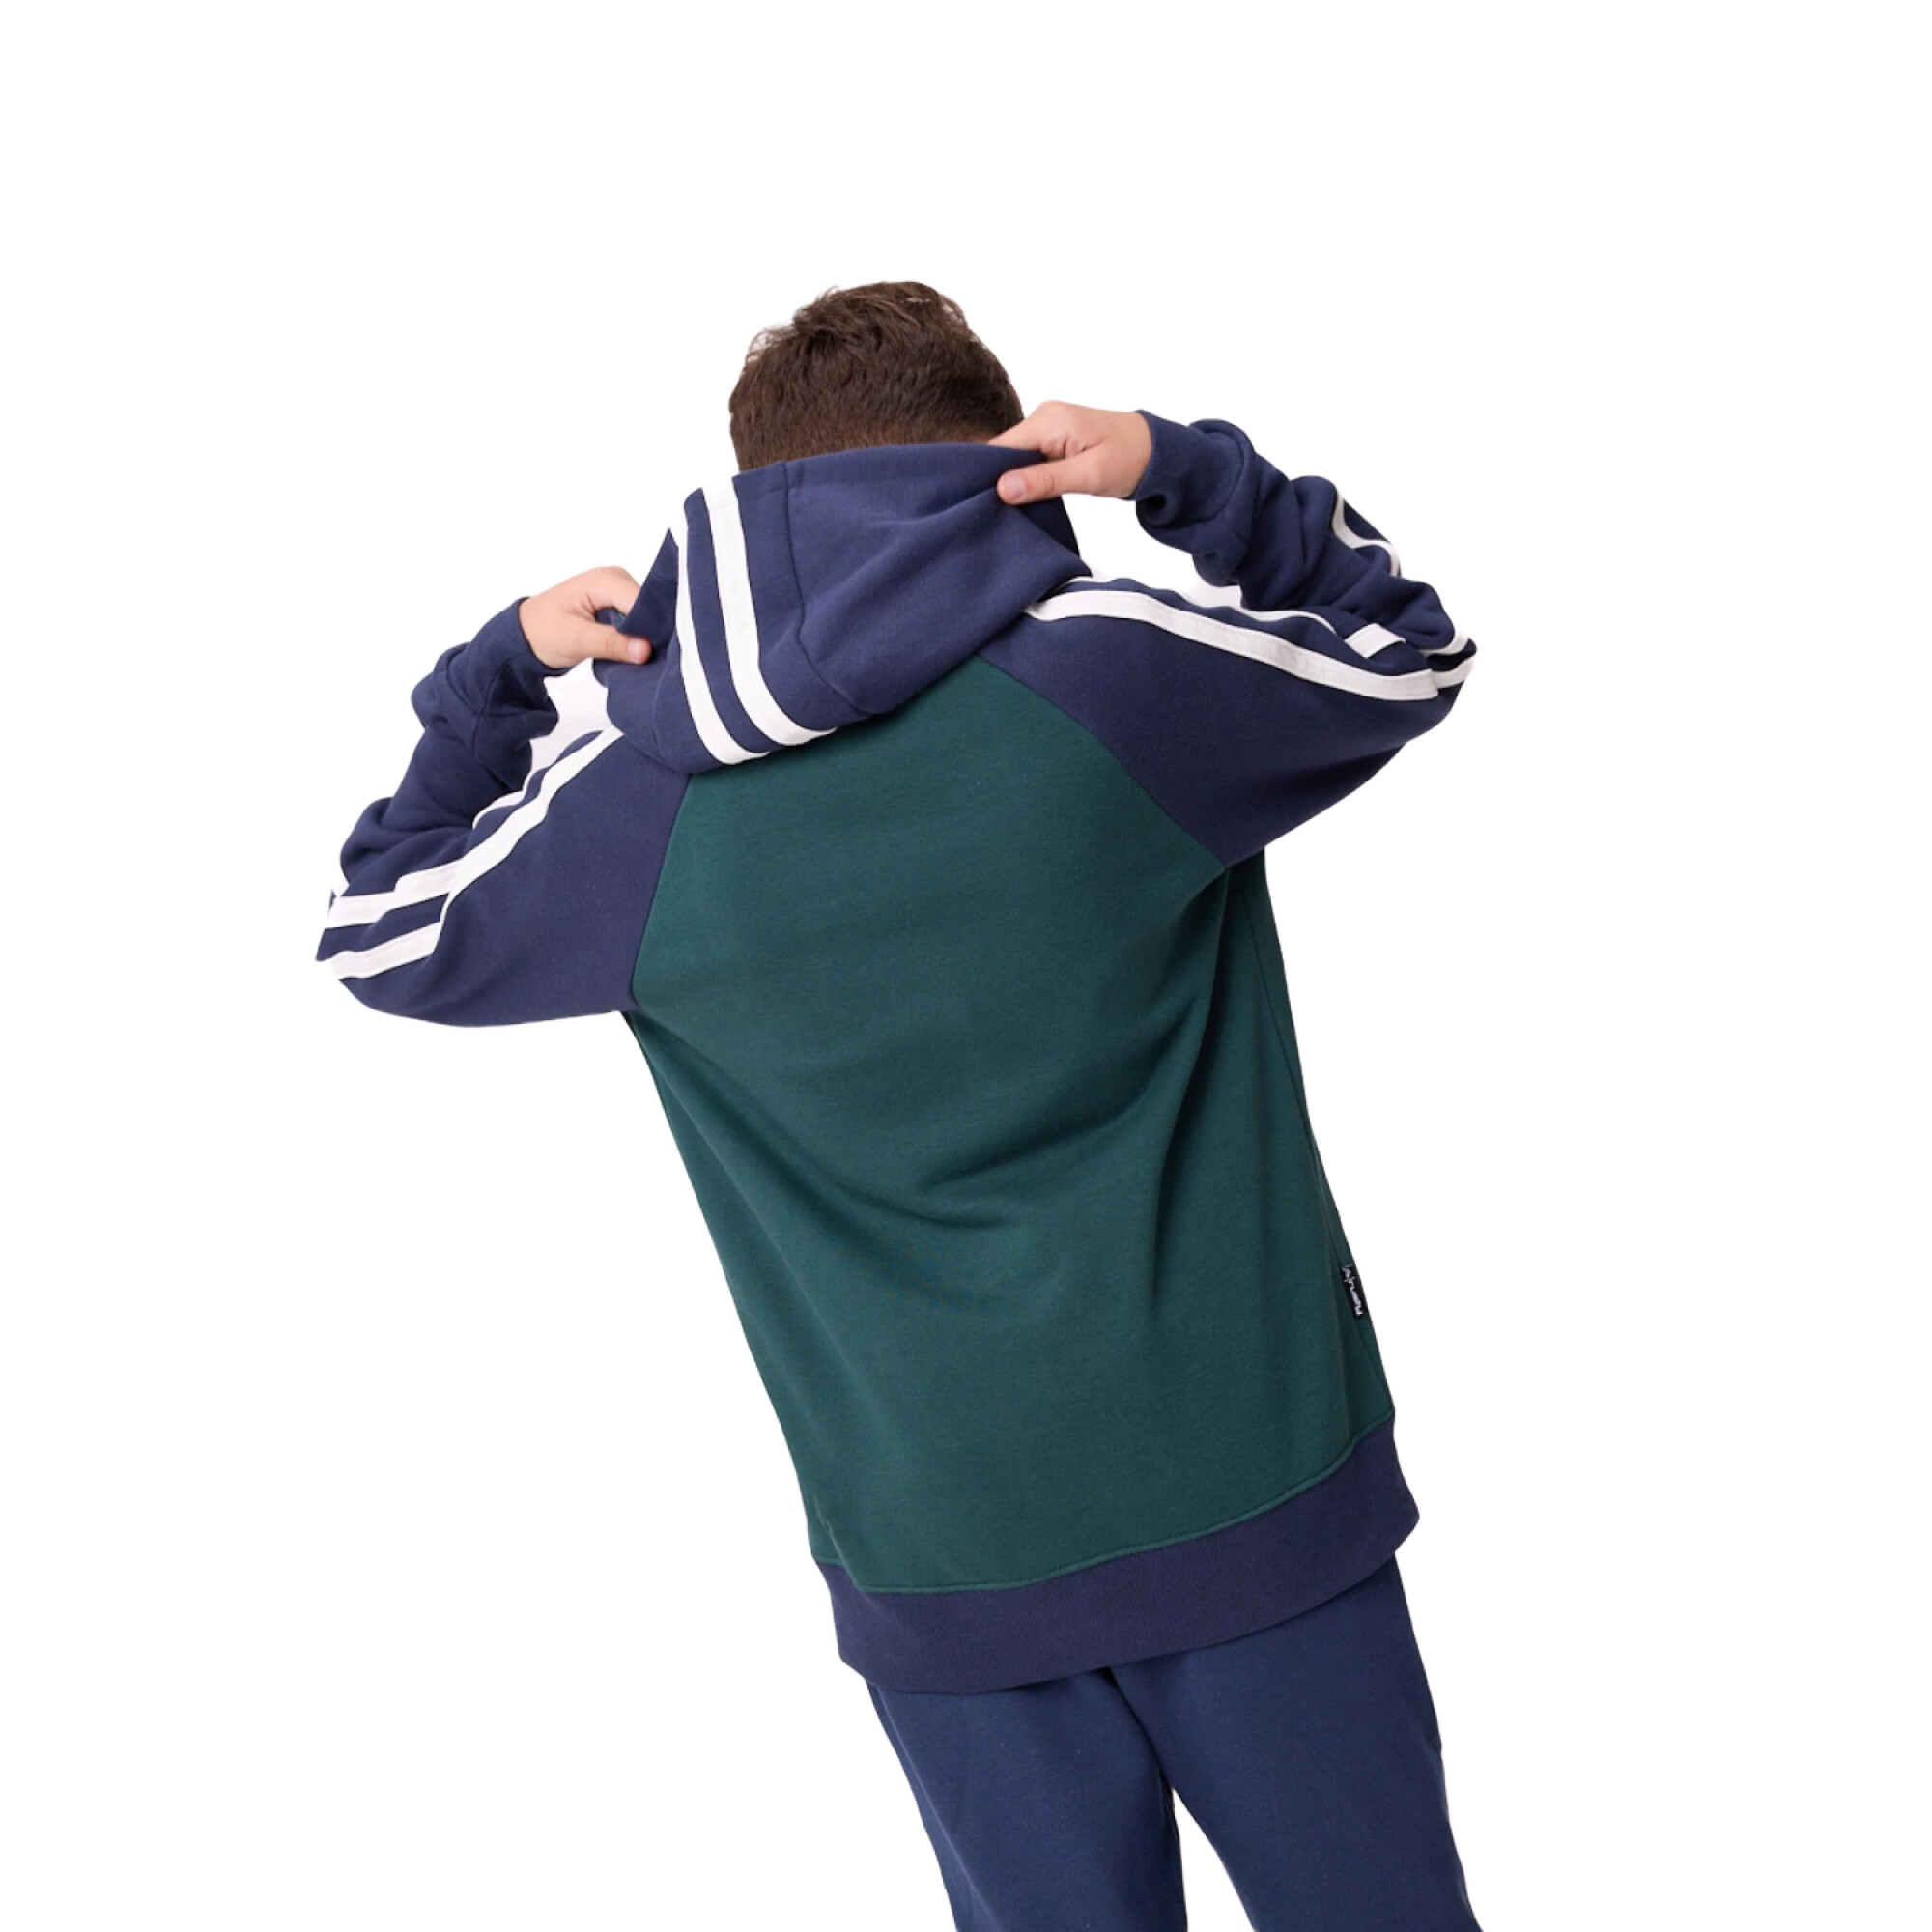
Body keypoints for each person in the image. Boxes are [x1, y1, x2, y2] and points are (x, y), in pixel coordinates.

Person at [317, 280, 1483, 1929]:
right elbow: (1409, 643)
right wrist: (1175, 471)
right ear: (996, 468)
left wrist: (503, 669)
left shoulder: (636, 809)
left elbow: (377, 928)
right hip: (1257, 1485)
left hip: (942, 1556)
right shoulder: (1118, 682)